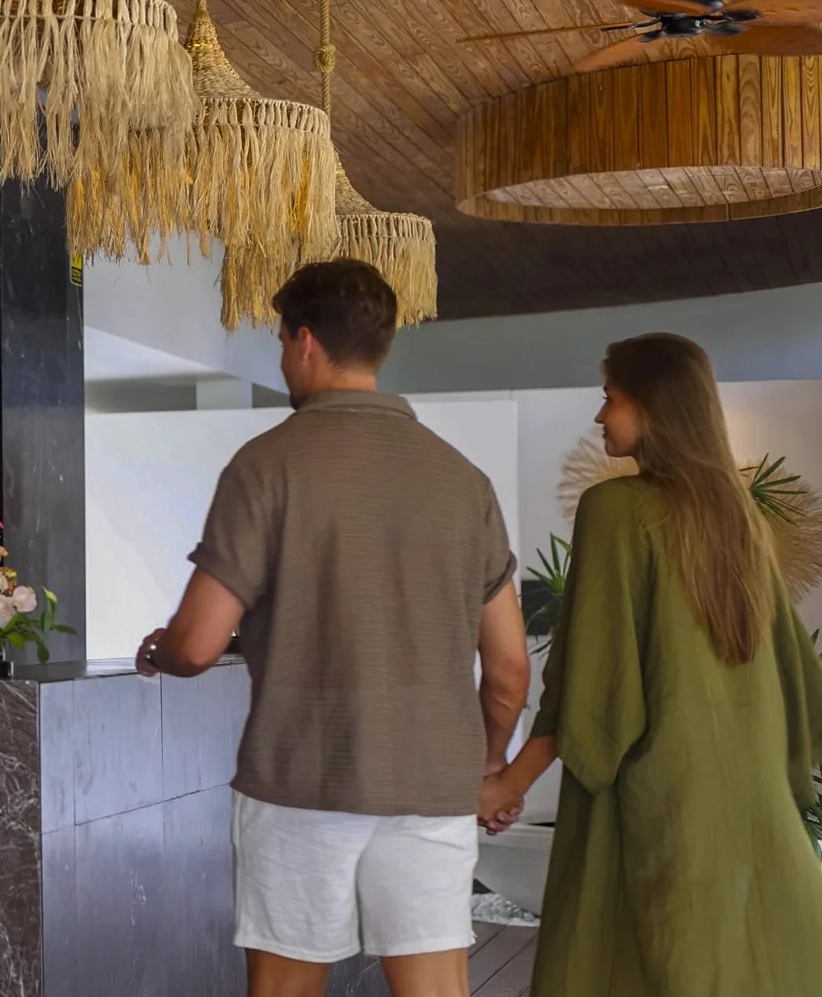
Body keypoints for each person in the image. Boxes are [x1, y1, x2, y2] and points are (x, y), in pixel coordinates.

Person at [136, 259, 532, 997]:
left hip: (298, 782)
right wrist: (482, 766)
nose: (284, 357)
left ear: (307, 342)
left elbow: (194, 643)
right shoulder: (462, 481)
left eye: (283, 341)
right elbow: (509, 668)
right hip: (431, 784)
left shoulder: (265, 466)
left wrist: (157, 647)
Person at [478, 334, 822, 996]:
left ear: (654, 407)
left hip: (656, 799)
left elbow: (590, 683)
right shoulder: (740, 521)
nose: (600, 416)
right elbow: (793, 675)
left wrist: (506, 782)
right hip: (751, 806)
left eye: (610, 399)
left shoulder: (614, 510)